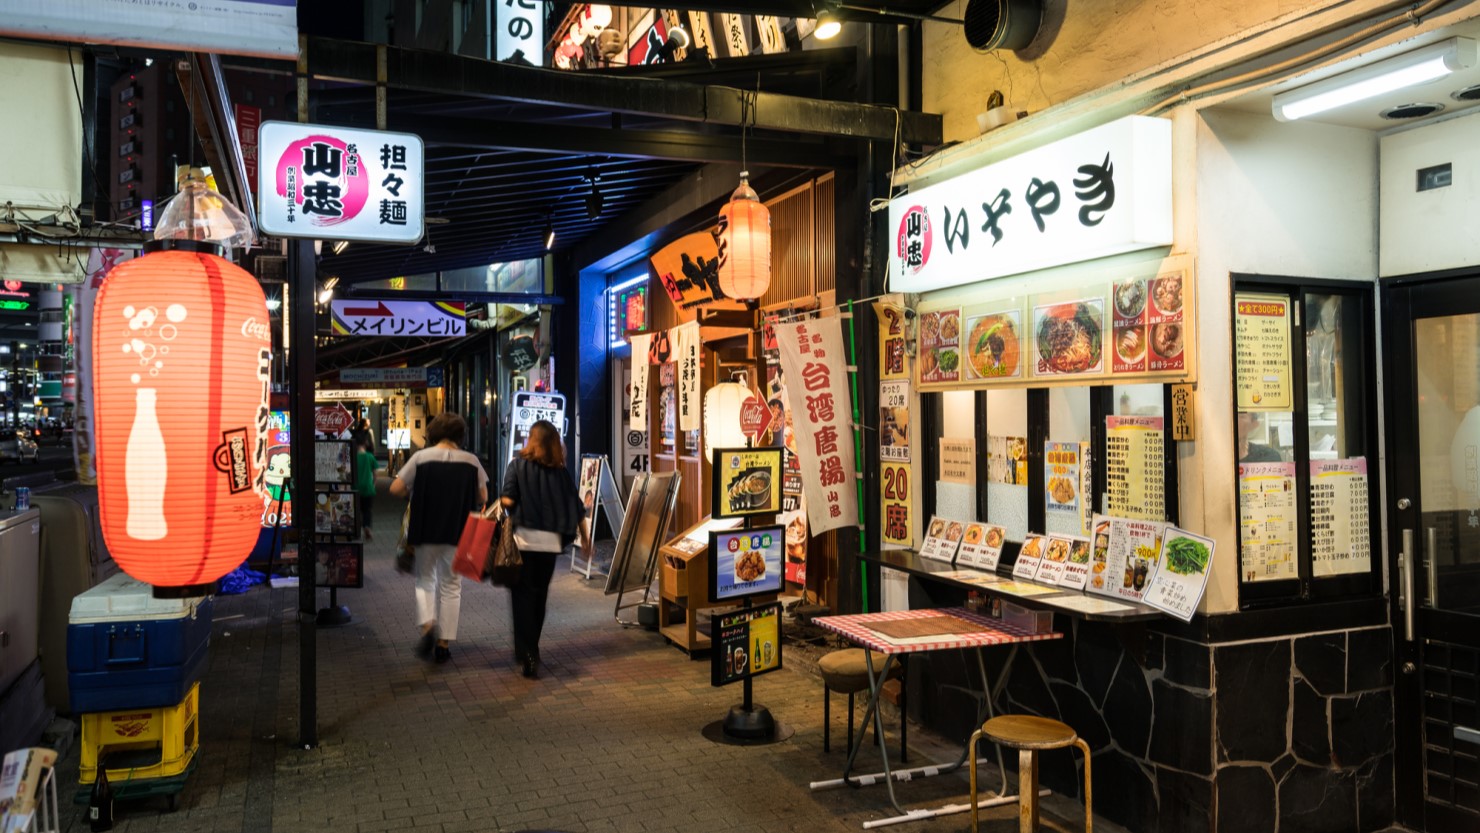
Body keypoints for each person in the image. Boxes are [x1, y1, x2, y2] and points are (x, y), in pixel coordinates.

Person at [389, 412, 487, 664]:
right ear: (460, 435)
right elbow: (482, 497)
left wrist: (416, 491)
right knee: (452, 586)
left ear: (433, 433)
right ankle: (444, 644)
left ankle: (427, 626)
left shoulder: (421, 458)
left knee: (425, 581)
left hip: (425, 529)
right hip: (458, 531)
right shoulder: (471, 461)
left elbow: (395, 488)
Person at [500, 420, 588, 679]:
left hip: (523, 543)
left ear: (531, 439)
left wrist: (507, 504)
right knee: (539, 597)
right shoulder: (560, 472)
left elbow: (507, 499)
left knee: (522, 598)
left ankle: (526, 653)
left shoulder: (516, 465)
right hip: (550, 545)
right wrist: (587, 541)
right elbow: (577, 507)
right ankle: (533, 649)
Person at [354, 441, 377, 540]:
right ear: (365, 445)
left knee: (356, 510)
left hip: (355, 488)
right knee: (367, 510)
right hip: (368, 487)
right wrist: (373, 484)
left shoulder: (353, 456)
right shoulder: (370, 456)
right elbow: (375, 473)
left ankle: (355, 530)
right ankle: (367, 527)